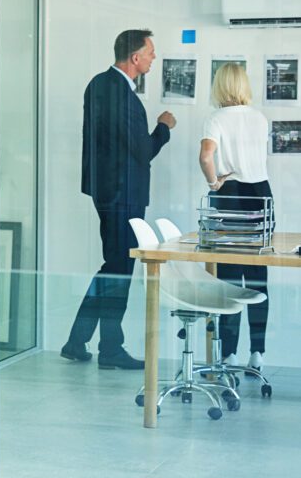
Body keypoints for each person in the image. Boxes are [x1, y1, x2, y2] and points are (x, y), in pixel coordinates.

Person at [62, 29, 176, 369]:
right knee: (120, 269)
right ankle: (108, 349)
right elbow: (142, 151)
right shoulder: (122, 95)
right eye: (151, 52)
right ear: (135, 57)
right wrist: (164, 127)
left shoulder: (98, 84)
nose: (154, 57)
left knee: (114, 268)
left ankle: (80, 341)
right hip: (123, 194)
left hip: (108, 191)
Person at [200, 63, 272, 371]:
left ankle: (228, 353)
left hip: (230, 193)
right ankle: (258, 353)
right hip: (261, 194)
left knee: (229, 279)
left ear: (219, 86)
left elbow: (205, 156)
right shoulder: (259, 117)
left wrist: (213, 182)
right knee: (258, 278)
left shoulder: (216, 118)